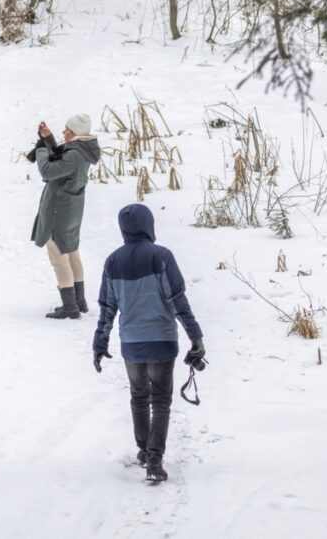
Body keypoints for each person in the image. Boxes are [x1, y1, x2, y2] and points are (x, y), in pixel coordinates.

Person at [92, 203, 206, 482]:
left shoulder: (112, 261)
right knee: (161, 402)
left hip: (131, 343)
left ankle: (144, 452)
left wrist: (100, 342)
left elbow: (107, 307)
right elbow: (178, 300)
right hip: (162, 342)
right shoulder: (161, 256)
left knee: (139, 398)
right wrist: (196, 336)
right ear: (149, 225)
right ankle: (155, 461)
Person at [30, 114, 101, 319]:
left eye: (66, 129)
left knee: (58, 256)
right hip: (71, 209)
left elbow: (48, 170)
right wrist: (49, 139)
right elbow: (61, 162)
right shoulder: (81, 151)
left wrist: (42, 149)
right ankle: (79, 302)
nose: (64, 132)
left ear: (75, 132)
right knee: (71, 253)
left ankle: (70, 307)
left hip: (59, 210)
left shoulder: (74, 155)